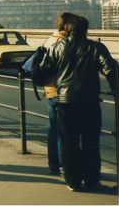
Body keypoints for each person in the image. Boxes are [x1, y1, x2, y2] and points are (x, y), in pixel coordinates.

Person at [34, 14, 118, 192]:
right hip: (90, 101)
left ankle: (73, 181)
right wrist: (116, 89)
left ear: (68, 29)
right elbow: (110, 69)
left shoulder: (56, 48)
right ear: (86, 30)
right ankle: (92, 180)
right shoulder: (96, 47)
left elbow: (42, 75)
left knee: (69, 142)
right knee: (91, 141)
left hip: (65, 101)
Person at [41, 12, 72, 176]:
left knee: (53, 128)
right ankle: (62, 164)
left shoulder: (50, 39)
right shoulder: (61, 43)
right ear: (66, 27)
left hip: (49, 89)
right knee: (62, 130)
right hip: (58, 90)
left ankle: (53, 163)